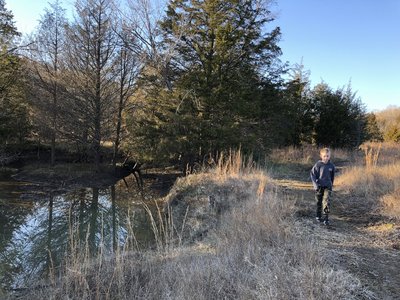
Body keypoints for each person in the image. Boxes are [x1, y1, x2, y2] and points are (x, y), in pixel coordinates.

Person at [310, 147, 335, 225]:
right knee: (319, 201)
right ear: (321, 156)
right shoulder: (318, 165)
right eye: (324, 156)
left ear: (329, 156)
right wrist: (316, 186)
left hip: (328, 186)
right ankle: (318, 215)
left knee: (326, 201)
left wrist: (331, 185)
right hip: (319, 186)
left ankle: (326, 217)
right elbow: (313, 175)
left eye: (327, 156)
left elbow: (332, 177)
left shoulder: (331, 166)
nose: (326, 157)